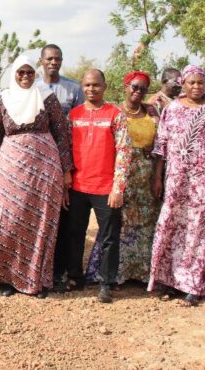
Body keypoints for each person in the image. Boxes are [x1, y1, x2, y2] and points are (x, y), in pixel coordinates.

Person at [0, 55, 73, 298]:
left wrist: (66, 172)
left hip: (45, 169)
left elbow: (62, 134)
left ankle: (38, 280)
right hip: (11, 170)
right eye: (21, 72)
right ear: (14, 74)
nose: (25, 76)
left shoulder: (46, 98)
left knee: (42, 223)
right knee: (10, 221)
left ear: (35, 74)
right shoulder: (2, 100)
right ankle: (7, 278)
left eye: (29, 72)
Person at [147, 65, 205, 306]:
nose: (196, 87)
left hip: (203, 182)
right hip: (176, 180)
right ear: (183, 84)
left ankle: (194, 283)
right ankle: (171, 280)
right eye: (191, 83)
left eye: (200, 82)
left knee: (198, 229)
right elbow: (162, 145)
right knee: (173, 226)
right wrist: (157, 177)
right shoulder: (172, 109)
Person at [54, 69, 130, 303]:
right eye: (87, 86)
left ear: (104, 86)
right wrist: (66, 181)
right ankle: (75, 277)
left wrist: (118, 187)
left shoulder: (115, 115)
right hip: (77, 186)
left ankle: (106, 282)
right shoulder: (73, 115)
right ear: (82, 88)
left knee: (109, 237)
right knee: (74, 233)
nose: (91, 89)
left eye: (96, 85)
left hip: (106, 188)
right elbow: (64, 148)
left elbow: (124, 152)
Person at [85, 71, 160, 285]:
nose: (138, 91)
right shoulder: (113, 111)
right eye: (134, 87)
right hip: (120, 174)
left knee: (144, 224)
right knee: (117, 222)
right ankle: (113, 273)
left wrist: (156, 175)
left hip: (145, 175)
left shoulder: (151, 112)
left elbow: (160, 143)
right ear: (125, 87)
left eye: (143, 89)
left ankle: (140, 273)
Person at [35, 44, 84, 116]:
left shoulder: (75, 88)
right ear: (41, 61)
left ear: (61, 61)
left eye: (57, 59)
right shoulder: (33, 87)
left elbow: (79, 117)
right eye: (49, 59)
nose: (54, 62)